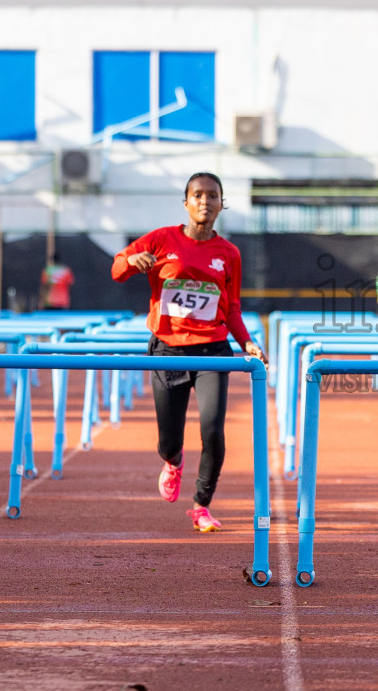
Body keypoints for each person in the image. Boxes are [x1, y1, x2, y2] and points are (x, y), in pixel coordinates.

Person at [112, 172, 265, 533]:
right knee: (169, 438)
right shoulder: (162, 239)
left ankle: (201, 505)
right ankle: (173, 460)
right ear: (186, 202)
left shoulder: (229, 253)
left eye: (212, 196)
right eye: (197, 195)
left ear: (221, 204)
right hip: (168, 349)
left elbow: (232, 309)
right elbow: (117, 267)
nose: (205, 201)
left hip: (212, 350)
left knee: (213, 430)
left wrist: (247, 342)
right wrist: (132, 262)